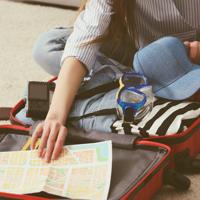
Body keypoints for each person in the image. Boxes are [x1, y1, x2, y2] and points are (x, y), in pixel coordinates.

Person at [31, 0, 200, 163]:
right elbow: (84, 39)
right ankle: (143, 79)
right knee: (47, 46)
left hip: (189, 58)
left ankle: (140, 81)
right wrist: (55, 117)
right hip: (141, 51)